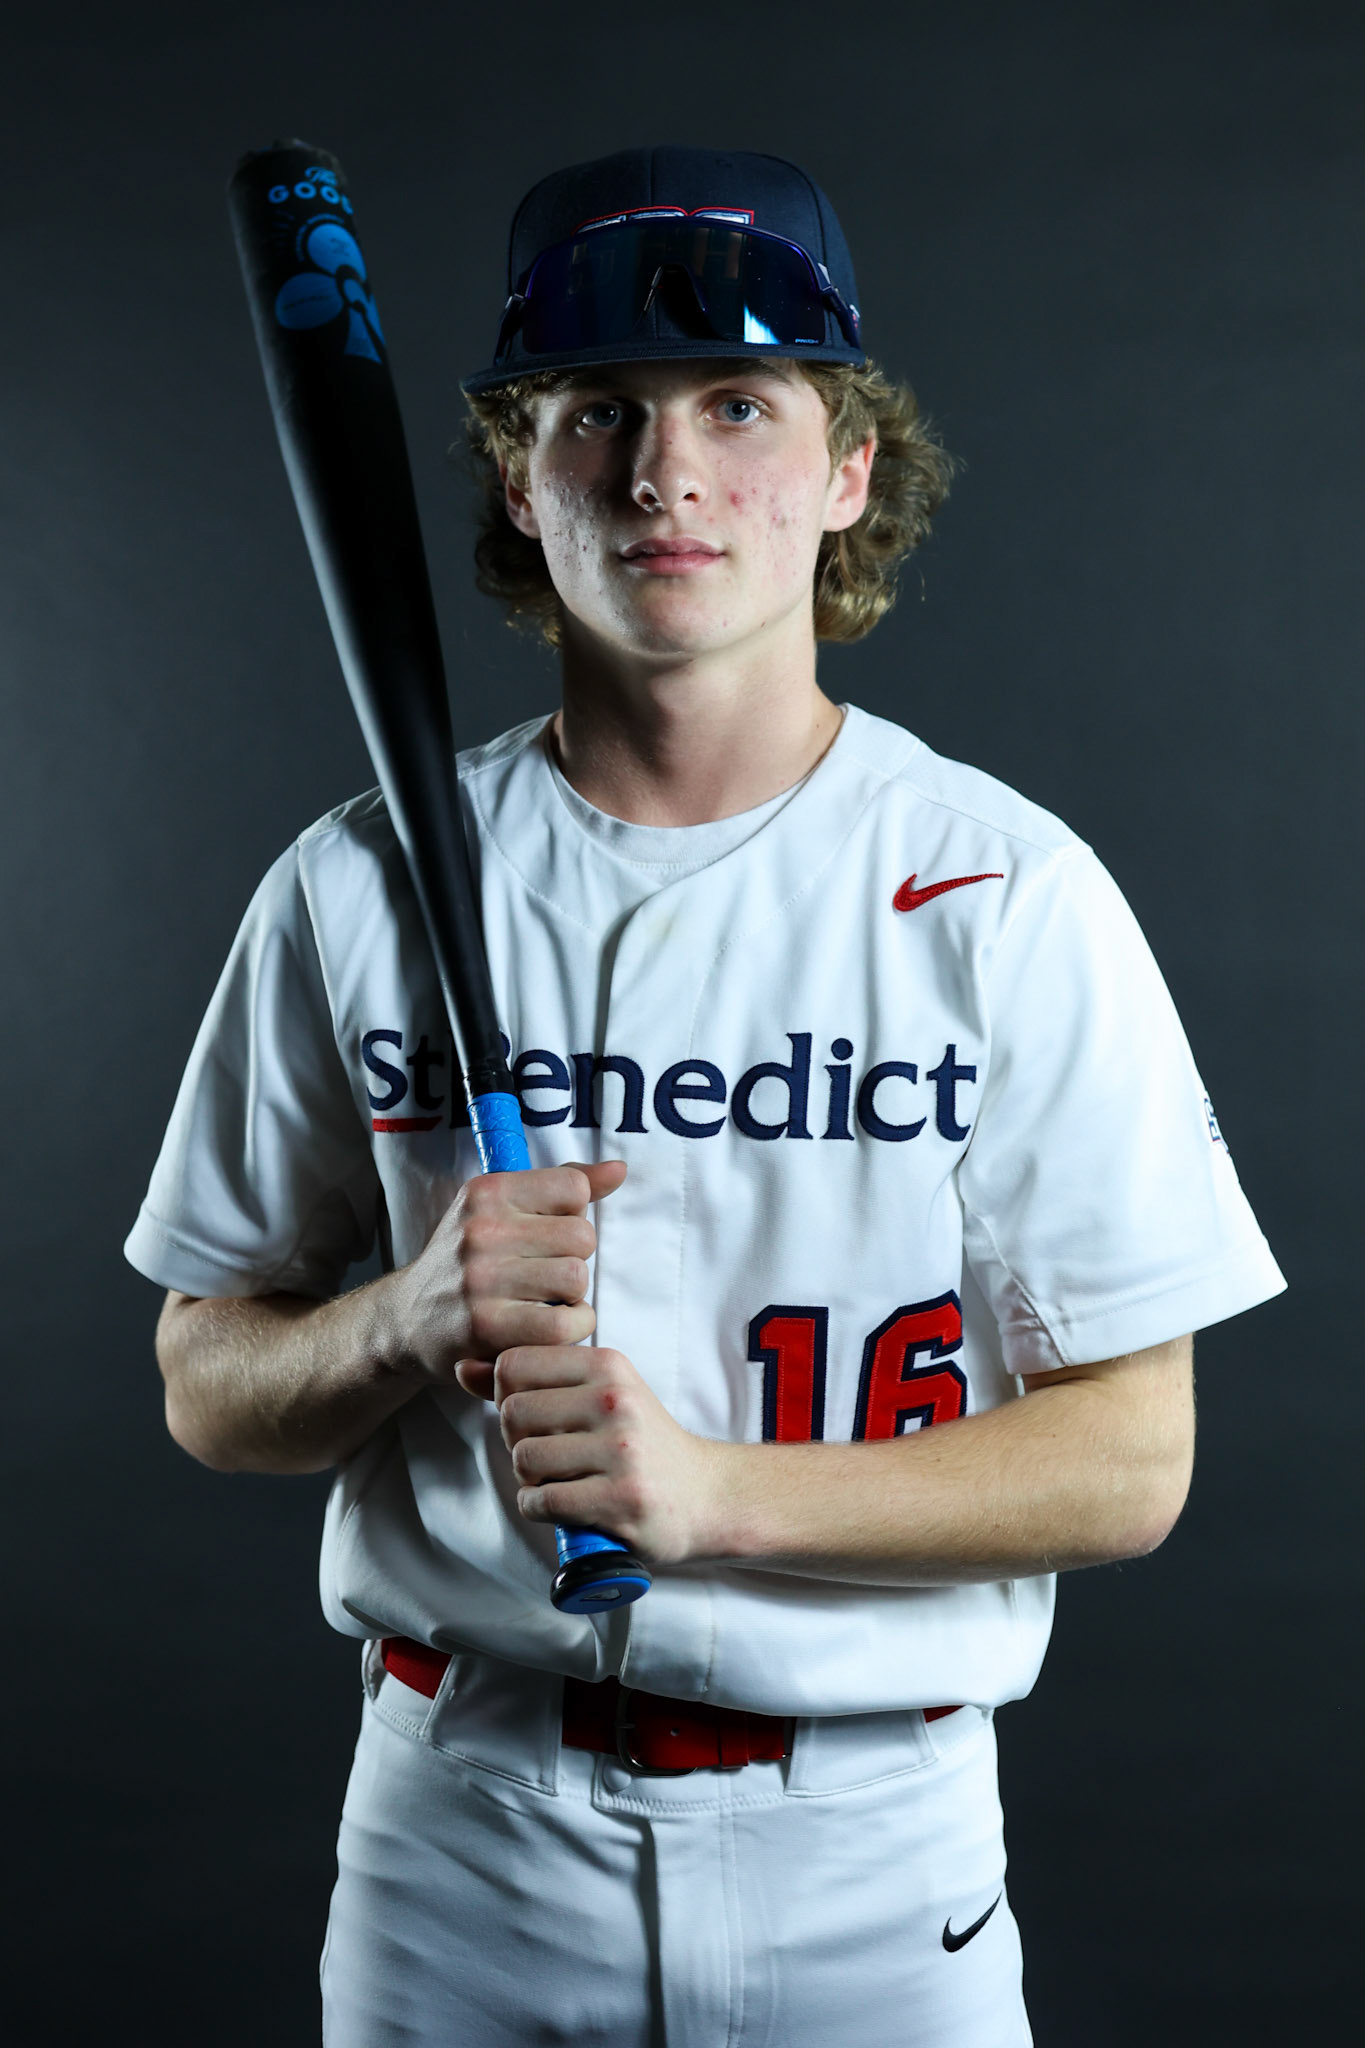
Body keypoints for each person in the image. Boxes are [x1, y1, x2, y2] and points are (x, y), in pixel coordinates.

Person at [126, 146, 1285, 2046]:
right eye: (599, 412)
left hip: (871, 1852)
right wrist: (406, 1317)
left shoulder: (1004, 892)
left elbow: (1128, 1464)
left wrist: (721, 1498)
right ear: (521, 476)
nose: (665, 472)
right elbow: (206, 1382)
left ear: (846, 476)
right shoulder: (353, 883)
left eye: (738, 404)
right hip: (461, 1843)